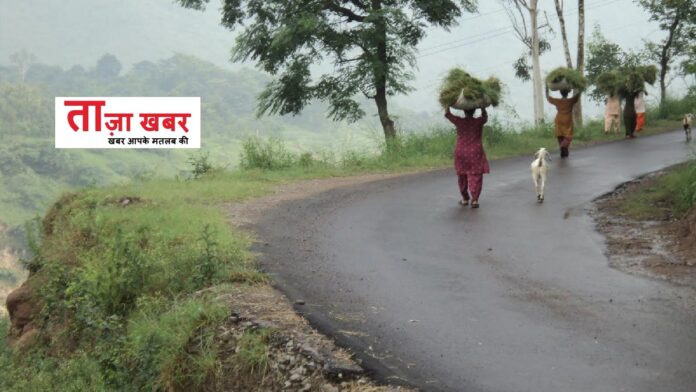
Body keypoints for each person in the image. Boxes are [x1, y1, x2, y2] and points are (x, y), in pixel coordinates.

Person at [445, 106, 489, 208]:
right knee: (476, 175)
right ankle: (474, 200)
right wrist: (482, 107)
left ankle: (465, 199)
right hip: (475, 152)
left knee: (462, 175)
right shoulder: (478, 121)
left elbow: (448, 114)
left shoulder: (459, 121)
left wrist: (447, 105)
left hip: (461, 152)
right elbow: (485, 117)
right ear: (474, 111)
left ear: (464, 111)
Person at [546, 87, 580, 158]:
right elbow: (577, 96)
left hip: (559, 119)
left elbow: (548, 97)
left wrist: (546, 87)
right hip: (567, 120)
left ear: (560, 93)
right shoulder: (570, 101)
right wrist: (578, 86)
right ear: (567, 93)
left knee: (560, 135)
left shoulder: (557, 101)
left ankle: (563, 150)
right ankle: (563, 147)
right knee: (568, 136)